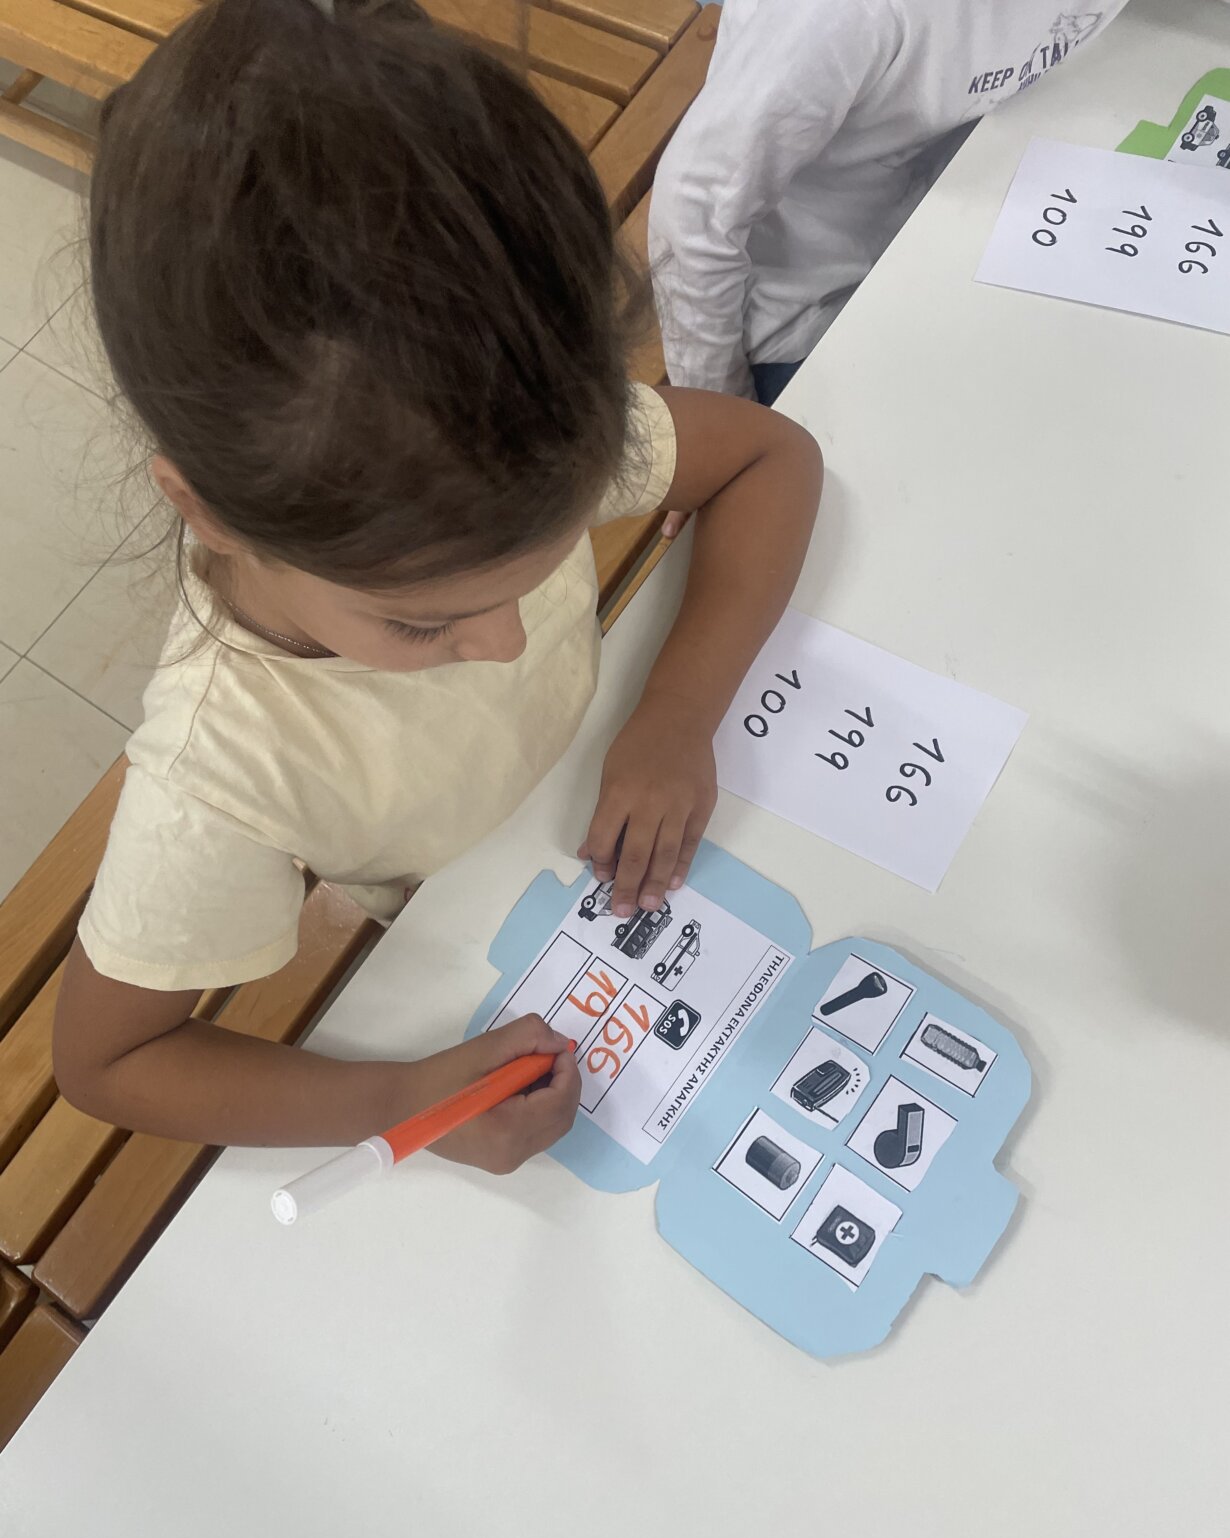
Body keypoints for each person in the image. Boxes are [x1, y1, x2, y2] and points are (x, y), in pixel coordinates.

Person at [52, 0, 823, 1172]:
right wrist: (404, 1095)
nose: (508, 642)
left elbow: (772, 458)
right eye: (423, 622)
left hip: (576, 827)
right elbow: (109, 1061)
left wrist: (677, 712)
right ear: (209, 512)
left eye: (544, 562)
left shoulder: (513, 436)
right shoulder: (221, 775)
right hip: (457, 920)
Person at [650, 1, 1131, 404]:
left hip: (963, 224)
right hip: (813, 310)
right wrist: (723, 420)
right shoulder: (837, 16)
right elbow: (694, 208)